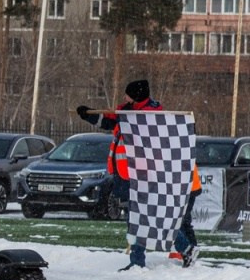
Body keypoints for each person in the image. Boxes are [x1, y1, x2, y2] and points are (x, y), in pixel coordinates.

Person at [76, 79, 162, 270]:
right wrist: (89, 115)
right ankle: (139, 258)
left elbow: (143, 133)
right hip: (125, 173)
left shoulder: (151, 114)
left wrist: (126, 118)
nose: (124, 98)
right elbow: (107, 121)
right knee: (138, 216)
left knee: (145, 216)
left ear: (136, 96)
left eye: (128, 95)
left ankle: (145, 257)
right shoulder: (125, 111)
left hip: (143, 174)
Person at [174, 163, 202, 267]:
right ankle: (191, 250)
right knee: (184, 221)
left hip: (184, 186)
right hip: (189, 185)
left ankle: (189, 250)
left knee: (178, 222)